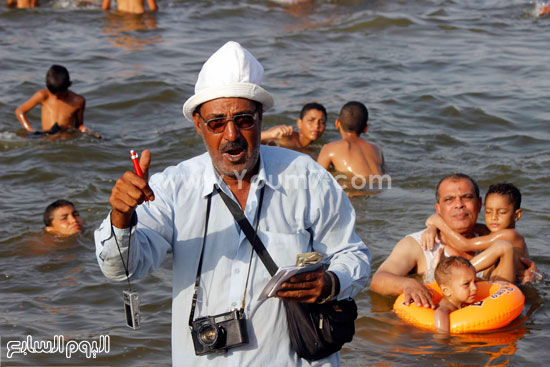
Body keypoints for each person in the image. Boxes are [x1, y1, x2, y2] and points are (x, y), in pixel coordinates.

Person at [94, 41, 370, 366]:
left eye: (244, 120)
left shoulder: (307, 176)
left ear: (260, 118)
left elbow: (355, 256)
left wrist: (331, 282)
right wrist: (122, 216)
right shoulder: (172, 187)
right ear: (199, 125)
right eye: (216, 123)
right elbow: (121, 269)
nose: (231, 134)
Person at [369, 173, 535, 309]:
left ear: (479, 205)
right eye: (449, 199)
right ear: (438, 209)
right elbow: (378, 280)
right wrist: (407, 284)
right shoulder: (418, 245)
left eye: (466, 197)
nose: (459, 204)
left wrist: (533, 278)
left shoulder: (492, 238)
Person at [424, 182, 542, 284]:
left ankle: (451, 274)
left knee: (503, 247)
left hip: (510, 286)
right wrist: (432, 227)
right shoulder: (489, 232)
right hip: (494, 280)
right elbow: (460, 228)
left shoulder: (510, 235)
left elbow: (466, 244)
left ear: (517, 215)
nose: (493, 218)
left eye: (501, 212)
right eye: (488, 212)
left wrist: (438, 222)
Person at [15, 65, 100, 138]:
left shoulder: (78, 101)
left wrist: (88, 132)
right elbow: (20, 111)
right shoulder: (43, 95)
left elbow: (79, 125)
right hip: (46, 137)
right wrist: (29, 129)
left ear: (69, 85)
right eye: (53, 94)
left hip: (66, 138)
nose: (57, 97)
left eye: (60, 95)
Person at [317, 101, 385, 177]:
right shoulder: (377, 149)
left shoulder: (329, 149)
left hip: (357, 186)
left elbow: (316, 178)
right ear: (366, 128)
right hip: (380, 186)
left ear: (337, 123)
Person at [433, 256, 478, 335]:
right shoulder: (445, 310)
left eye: (475, 282)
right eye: (466, 284)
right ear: (446, 290)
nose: (474, 288)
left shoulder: (461, 301)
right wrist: (445, 338)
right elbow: (439, 313)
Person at [260, 102, 327, 150]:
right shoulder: (286, 137)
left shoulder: (315, 148)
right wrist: (271, 134)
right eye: (311, 120)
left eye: (322, 122)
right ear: (299, 123)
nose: (316, 126)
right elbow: (253, 139)